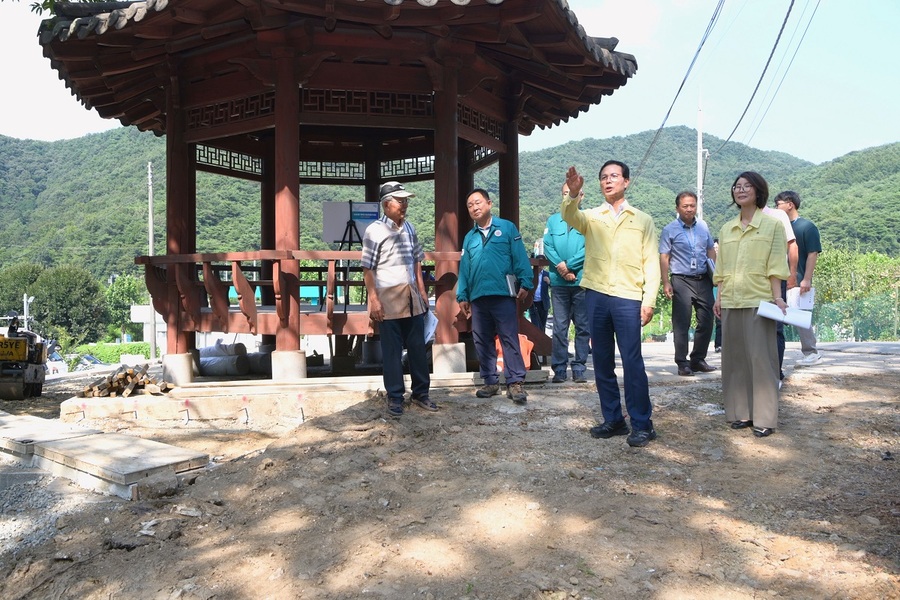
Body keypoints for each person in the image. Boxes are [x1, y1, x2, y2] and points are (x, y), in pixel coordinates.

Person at [562, 162, 661, 447]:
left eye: (614, 176)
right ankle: (614, 419)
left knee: (632, 362)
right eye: (603, 178)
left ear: (626, 182)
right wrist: (573, 194)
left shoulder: (642, 219)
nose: (608, 181)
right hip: (596, 295)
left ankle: (642, 424)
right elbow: (569, 216)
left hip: (629, 297)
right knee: (603, 362)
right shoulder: (592, 216)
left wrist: (649, 300)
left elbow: (651, 263)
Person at [713, 171, 789, 438]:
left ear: (758, 192)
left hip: (760, 300)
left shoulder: (772, 226)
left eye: (747, 186)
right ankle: (741, 413)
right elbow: (721, 269)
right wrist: (719, 297)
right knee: (734, 360)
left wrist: (777, 297)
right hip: (732, 299)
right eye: (737, 186)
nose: (741, 190)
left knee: (761, 359)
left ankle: (765, 418)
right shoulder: (726, 229)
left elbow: (777, 265)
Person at [362, 181, 435, 419]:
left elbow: (417, 261)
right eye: (400, 201)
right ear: (386, 205)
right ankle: (395, 397)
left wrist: (422, 292)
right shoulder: (374, 230)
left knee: (417, 347)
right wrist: (373, 299)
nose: (404, 205)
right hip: (387, 296)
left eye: (405, 201)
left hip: (411, 295)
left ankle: (421, 393)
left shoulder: (410, 228)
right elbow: (368, 268)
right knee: (392, 351)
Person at [457, 188, 534, 404]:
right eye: (470, 205)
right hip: (478, 296)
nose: (474, 207)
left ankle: (515, 382)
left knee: (509, 337)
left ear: (489, 204)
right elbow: (464, 268)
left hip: (503, 294)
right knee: (482, 339)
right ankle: (490, 381)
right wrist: (462, 295)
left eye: (478, 202)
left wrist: (525, 282)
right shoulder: (469, 238)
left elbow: (519, 257)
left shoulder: (507, 228)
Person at [659, 191, 717, 376]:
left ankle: (698, 359)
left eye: (692, 205)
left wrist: (715, 272)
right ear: (677, 208)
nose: (689, 209)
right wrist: (666, 281)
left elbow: (710, 250)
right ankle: (682, 362)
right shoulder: (670, 229)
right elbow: (664, 256)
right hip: (681, 279)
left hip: (703, 278)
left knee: (707, 320)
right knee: (681, 322)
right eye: (685, 206)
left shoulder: (703, 226)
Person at [543, 182, 590, 384]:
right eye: (564, 194)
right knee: (560, 328)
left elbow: (590, 248)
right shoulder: (553, 221)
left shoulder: (588, 220)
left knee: (582, 327)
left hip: (581, 281)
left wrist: (570, 266)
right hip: (559, 283)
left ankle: (579, 368)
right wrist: (562, 269)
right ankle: (559, 369)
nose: (568, 198)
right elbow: (547, 247)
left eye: (572, 194)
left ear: (582, 195)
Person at [776, 190, 823, 365]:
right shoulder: (779, 226)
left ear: (790, 204)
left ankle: (811, 352)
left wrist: (806, 279)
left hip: (799, 279)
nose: (776, 207)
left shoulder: (806, 227)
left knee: (799, 315)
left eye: (779, 203)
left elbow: (812, 254)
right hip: (779, 280)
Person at [762, 201, 798, 385]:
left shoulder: (778, 216)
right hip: (751, 281)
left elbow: (792, 245)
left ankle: (775, 372)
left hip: (776, 277)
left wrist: (792, 274)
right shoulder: (740, 219)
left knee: (775, 327)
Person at [528, 268, 551, 333]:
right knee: (535, 325)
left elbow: (554, 287)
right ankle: (536, 340)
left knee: (542, 325)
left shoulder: (547, 274)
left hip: (543, 304)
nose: (540, 267)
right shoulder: (530, 273)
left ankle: (542, 341)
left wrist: (549, 282)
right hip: (533, 303)